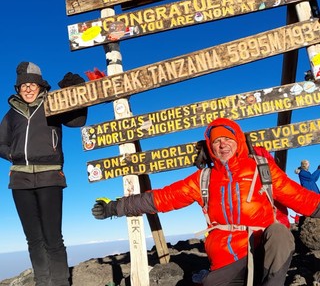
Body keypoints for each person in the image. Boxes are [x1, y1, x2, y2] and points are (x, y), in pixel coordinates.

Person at [91, 117, 320, 286]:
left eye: (227, 139)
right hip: (227, 259)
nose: (222, 144)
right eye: (216, 141)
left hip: (263, 249)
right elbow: (163, 198)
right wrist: (116, 207)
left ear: (238, 140)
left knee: (280, 234)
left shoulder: (262, 170)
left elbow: (300, 197)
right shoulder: (204, 178)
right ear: (210, 147)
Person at [0, 62, 87, 286]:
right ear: (18, 89)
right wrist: (13, 155)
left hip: (50, 176)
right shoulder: (11, 115)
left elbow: (77, 121)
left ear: (40, 86)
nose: (28, 89)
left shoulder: (52, 105)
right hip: (20, 179)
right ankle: (42, 281)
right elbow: (0, 143)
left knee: (52, 237)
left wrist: (76, 93)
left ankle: (60, 282)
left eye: (32, 85)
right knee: (33, 239)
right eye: (23, 86)